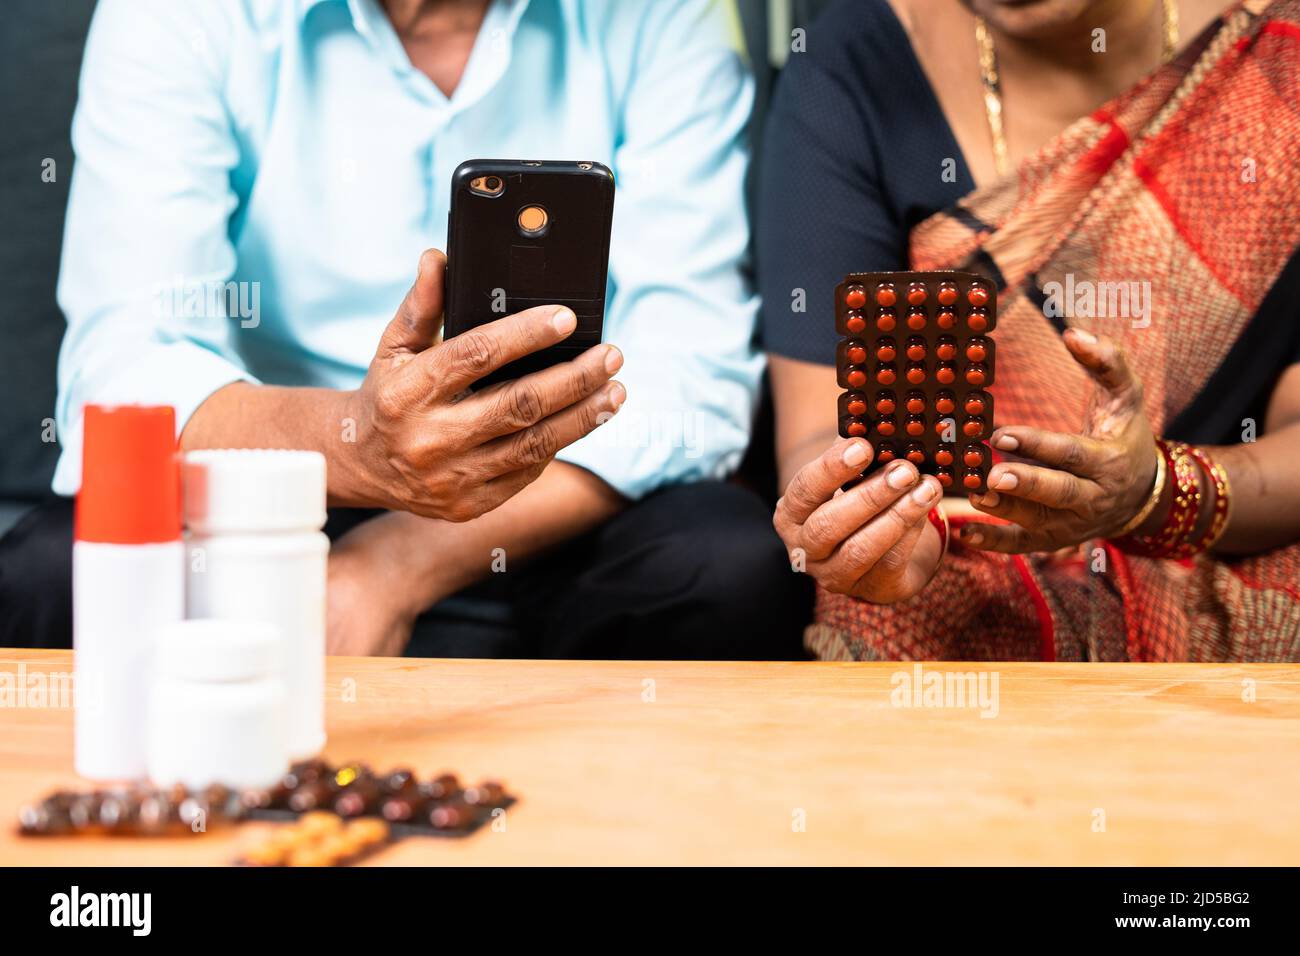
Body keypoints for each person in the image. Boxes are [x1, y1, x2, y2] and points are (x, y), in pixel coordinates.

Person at [0, 0, 810, 659]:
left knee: (727, 566)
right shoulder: (179, 16)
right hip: (284, 486)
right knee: (52, 576)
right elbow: (128, 371)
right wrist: (359, 445)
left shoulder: (664, 17)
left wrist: (396, 563)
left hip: (551, 502)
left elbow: (690, 369)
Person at [759, 0, 1300, 660]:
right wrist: (873, 526)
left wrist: (1156, 489)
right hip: (953, 559)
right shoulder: (854, 60)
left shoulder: (1278, 57)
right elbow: (821, 432)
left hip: (1237, 549)